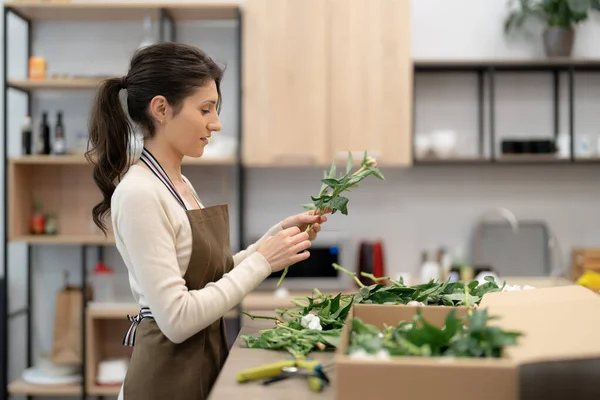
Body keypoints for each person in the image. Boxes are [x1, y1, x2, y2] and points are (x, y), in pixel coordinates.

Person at [86, 42, 329, 400]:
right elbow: (178, 318)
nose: (215, 124)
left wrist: (273, 240)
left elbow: (211, 278)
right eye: (205, 109)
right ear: (161, 109)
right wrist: (263, 262)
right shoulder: (139, 193)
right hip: (165, 379)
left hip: (201, 363)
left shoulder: (179, 184)